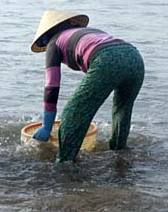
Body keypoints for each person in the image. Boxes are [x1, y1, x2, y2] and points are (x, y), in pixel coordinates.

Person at [30, 10, 144, 162]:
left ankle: (64, 163)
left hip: (106, 59)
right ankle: (119, 153)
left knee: (72, 113)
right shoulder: (89, 32)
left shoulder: (54, 43)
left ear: (47, 35)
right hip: (135, 57)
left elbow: (51, 87)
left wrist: (47, 126)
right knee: (122, 109)